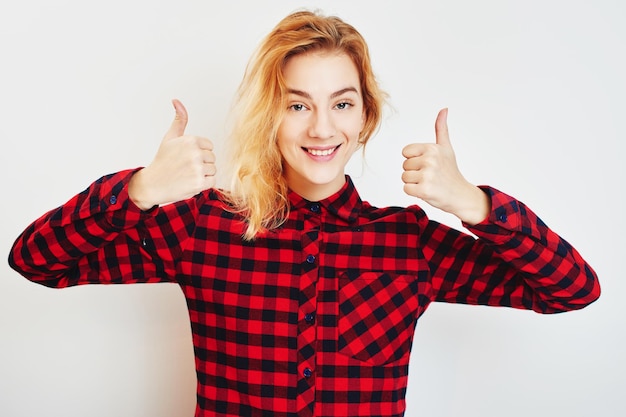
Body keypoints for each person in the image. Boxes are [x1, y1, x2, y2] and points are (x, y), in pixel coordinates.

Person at [8, 9, 600, 417]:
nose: (322, 128)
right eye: (297, 104)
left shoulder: (410, 243)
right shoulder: (202, 227)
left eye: (341, 103)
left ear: (365, 117)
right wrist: (137, 190)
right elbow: (37, 261)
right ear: (272, 116)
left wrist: (474, 204)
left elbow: (571, 290)